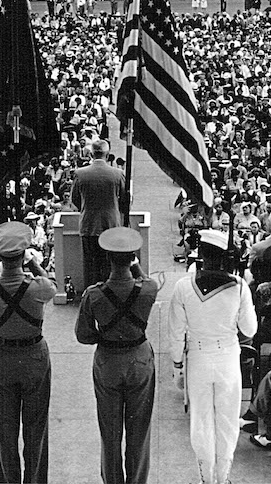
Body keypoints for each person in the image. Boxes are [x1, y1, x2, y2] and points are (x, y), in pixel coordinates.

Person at [168, 229, 257, 484]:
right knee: (227, 422)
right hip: (228, 357)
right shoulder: (238, 286)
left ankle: (205, 479)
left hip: (197, 357)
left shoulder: (184, 286)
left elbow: (175, 334)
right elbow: (250, 329)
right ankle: (223, 477)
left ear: (201, 255)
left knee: (201, 422)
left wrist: (177, 365)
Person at [0, 222, 56, 484]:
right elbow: (51, 284)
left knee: (5, 432)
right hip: (34, 357)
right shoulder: (38, 287)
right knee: (36, 428)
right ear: (24, 255)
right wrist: (32, 263)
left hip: (4, 359)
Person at [75, 227, 158, 484]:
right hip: (139, 359)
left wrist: (106, 337)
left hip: (108, 361)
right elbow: (147, 280)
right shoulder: (148, 289)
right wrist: (135, 265)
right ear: (133, 256)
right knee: (139, 430)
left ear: (107, 259)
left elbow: (83, 335)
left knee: (109, 431)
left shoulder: (94, 294)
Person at [72, 139, 127, 289]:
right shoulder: (118, 174)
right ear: (107, 155)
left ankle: (91, 298)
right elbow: (125, 202)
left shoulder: (80, 173)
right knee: (110, 267)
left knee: (90, 267)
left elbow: (75, 199)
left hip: (88, 225)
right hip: (111, 224)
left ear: (90, 154)